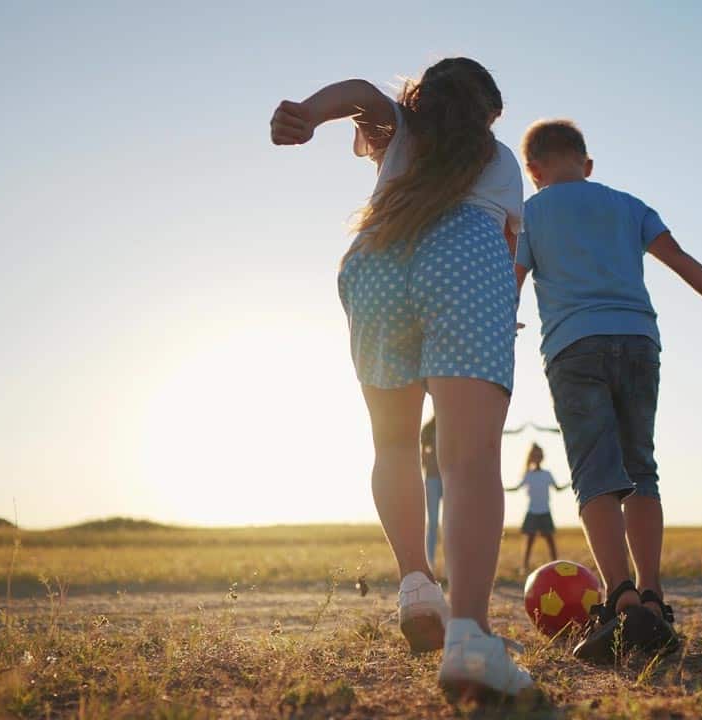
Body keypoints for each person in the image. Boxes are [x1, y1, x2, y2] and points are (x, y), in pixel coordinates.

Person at [270, 57, 534, 696]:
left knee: (392, 443)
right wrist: (498, 309)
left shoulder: (402, 133)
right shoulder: (499, 162)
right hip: (466, 258)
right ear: (488, 115)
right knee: (467, 459)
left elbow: (360, 92)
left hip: (377, 258)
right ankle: (469, 637)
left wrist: (308, 112)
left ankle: (416, 584)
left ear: (420, 96)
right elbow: (506, 252)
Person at [514, 119, 702, 662]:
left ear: (532, 171)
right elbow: (678, 258)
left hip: (573, 348)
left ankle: (620, 597)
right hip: (638, 342)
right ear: (588, 165)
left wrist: (499, 320)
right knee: (640, 469)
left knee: (594, 474)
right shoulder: (628, 204)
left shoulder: (531, 212)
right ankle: (653, 599)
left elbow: (510, 279)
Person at [505, 443, 569, 572]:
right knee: (529, 540)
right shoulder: (528, 475)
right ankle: (525, 566)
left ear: (542, 457)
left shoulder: (547, 474)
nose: (538, 457)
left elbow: (558, 488)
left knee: (550, 540)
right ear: (531, 457)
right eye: (535, 455)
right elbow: (517, 488)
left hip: (545, 511)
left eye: (540, 454)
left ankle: (556, 565)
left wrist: (571, 482)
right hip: (532, 511)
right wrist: (501, 487)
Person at [420, 417, 442, 571]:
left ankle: (451, 567)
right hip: (433, 478)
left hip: (450, 479)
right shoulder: (427, 429)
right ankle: (430, 564)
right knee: (433, 522)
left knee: (450, 522)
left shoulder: (453, 424)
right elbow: (422, 455)